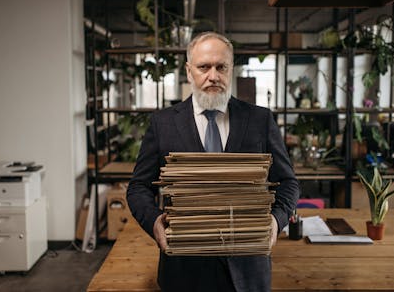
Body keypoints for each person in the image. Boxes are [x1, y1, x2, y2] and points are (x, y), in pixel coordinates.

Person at [127, 31, 300, 292]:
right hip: (184, 267)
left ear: (231, 70)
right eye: (204, 67)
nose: (213, 76)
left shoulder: (260, 120)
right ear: (189, 71)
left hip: (247, 268)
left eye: (221, 67)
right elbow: (138, 188)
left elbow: (288, 182)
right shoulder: (163, 123)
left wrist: (276, 220)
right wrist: (154, 223)